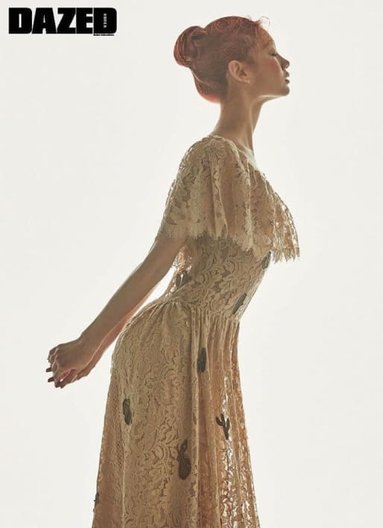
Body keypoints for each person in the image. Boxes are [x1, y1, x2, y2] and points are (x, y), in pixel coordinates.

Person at [46, 14, 300, 527]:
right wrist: (89, 344)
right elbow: (158, 263)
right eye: (272, 52)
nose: (285, 61)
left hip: (210, 350)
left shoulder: (247, 166)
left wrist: (97, 347)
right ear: (240, 71)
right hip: (171, 344)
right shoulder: (209, 157)